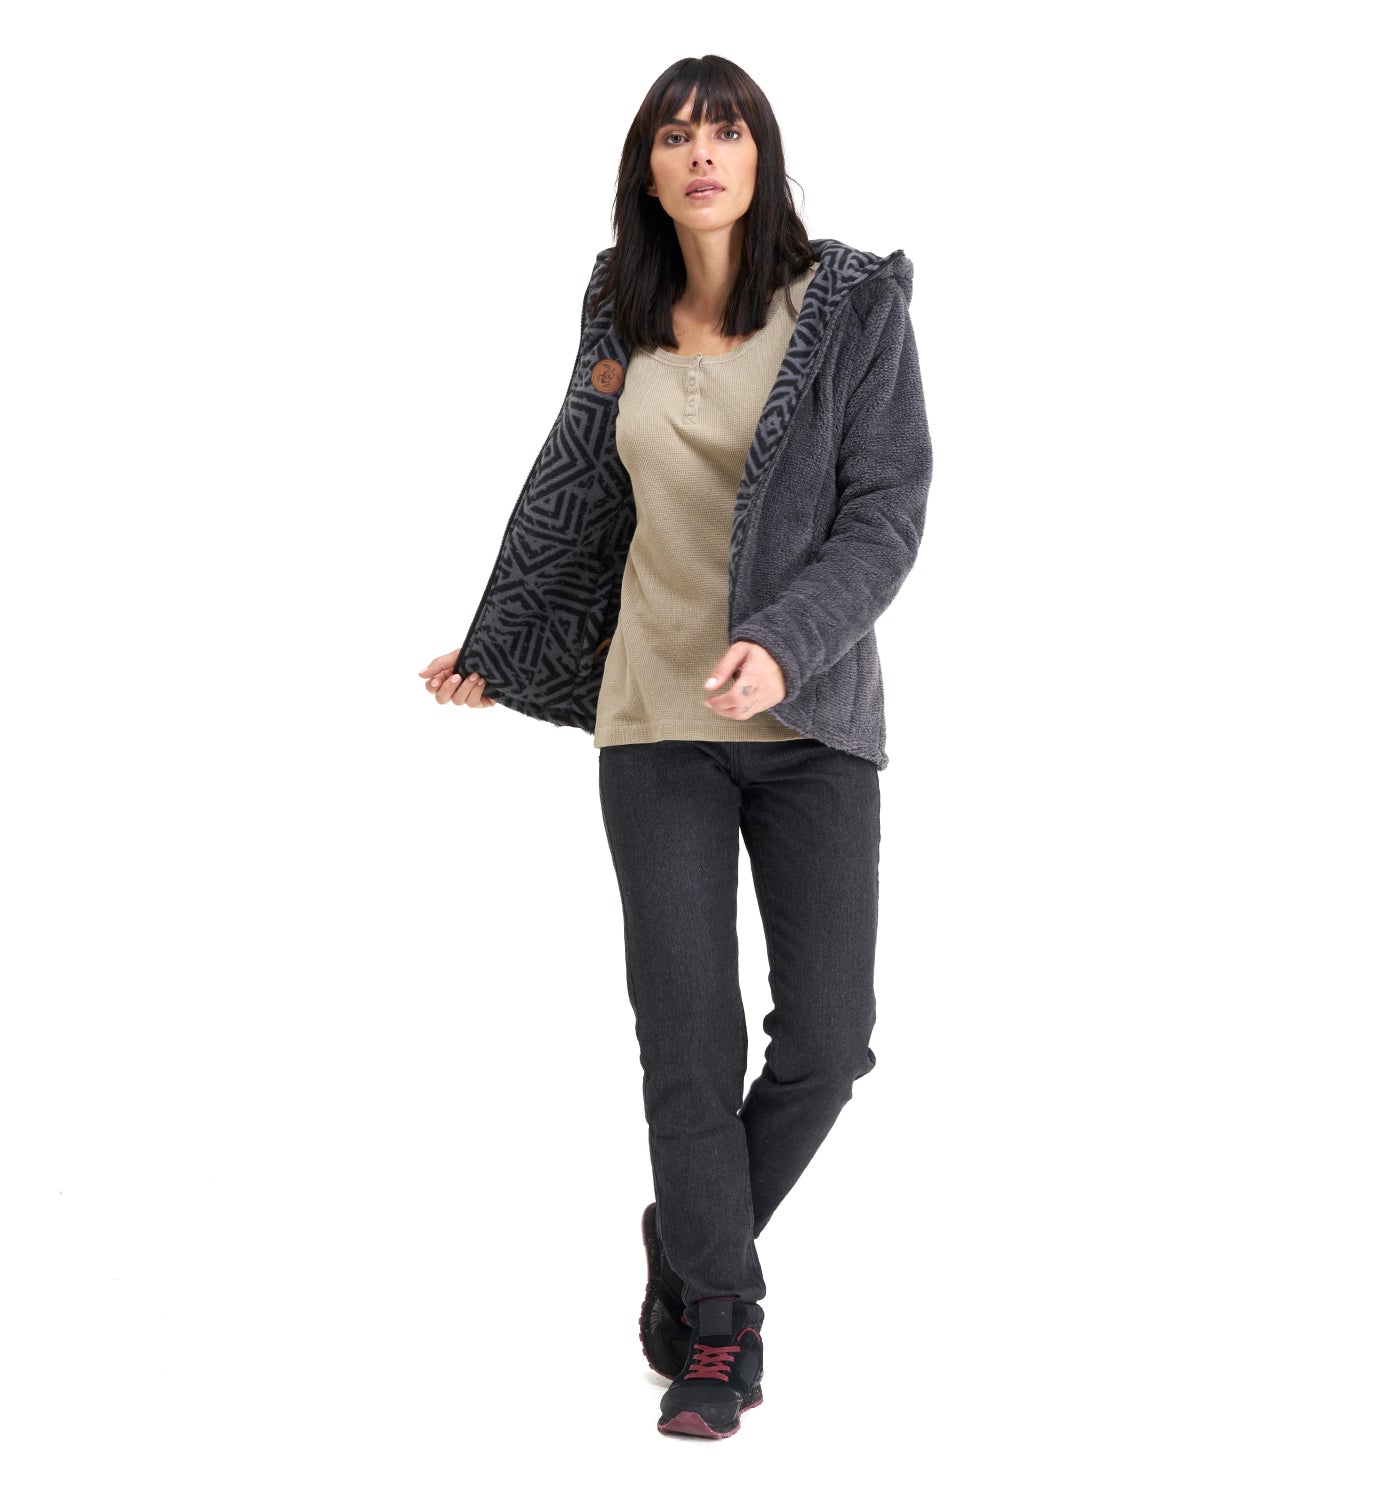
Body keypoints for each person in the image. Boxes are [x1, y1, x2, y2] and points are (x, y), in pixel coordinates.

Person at [419, 55, 932, 1440]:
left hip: (811, 723)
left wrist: (786, 641)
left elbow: (886, 512)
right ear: (647, 170)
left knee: (829, 1042)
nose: (702, 152)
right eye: (675, 135)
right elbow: (578, 480)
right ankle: (720, 1326)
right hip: (655, 725)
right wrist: (499, 642)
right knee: (686, 1042)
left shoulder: (853, 305)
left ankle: (693, 1229)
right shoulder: (620, 306)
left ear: (763, 154)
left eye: (727, 130)